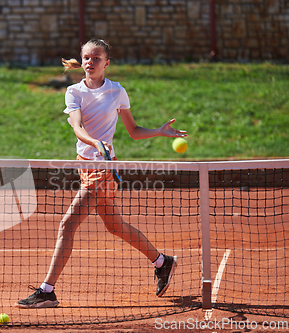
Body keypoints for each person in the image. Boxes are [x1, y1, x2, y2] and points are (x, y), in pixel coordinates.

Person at [16, 39, 187, 309]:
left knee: (67, 225)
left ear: (106, 63)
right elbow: (78, 128)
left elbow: (133, 131)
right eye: (86, 57)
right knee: (114, 225)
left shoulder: (117, 91)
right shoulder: (73, 92)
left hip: (104, 169)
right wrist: (94, 142)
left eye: (96, 58)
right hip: (85, 163)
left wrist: (159, 131)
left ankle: (47, 290)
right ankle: (162, 262)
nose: (89, 62)